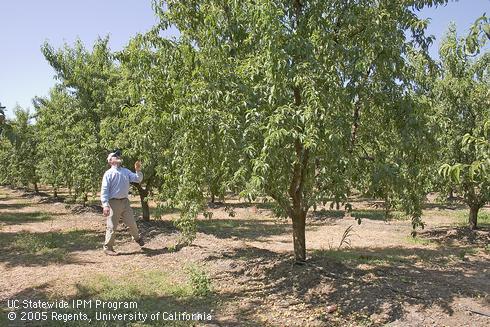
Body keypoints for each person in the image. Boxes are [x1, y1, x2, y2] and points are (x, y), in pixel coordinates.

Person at [100, 150, 145, 256]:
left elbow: (137, 179)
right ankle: (108, 248)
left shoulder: (125, 171)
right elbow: (104, 190)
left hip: (125, 202)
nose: (118, 157)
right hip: (113, 203)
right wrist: (105, 205)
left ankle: (137, 238)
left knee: (132, 223)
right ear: (110, 161)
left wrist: (138, 170)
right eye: (115, 156)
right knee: (112, 226)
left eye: (118, 155)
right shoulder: (108, 174)